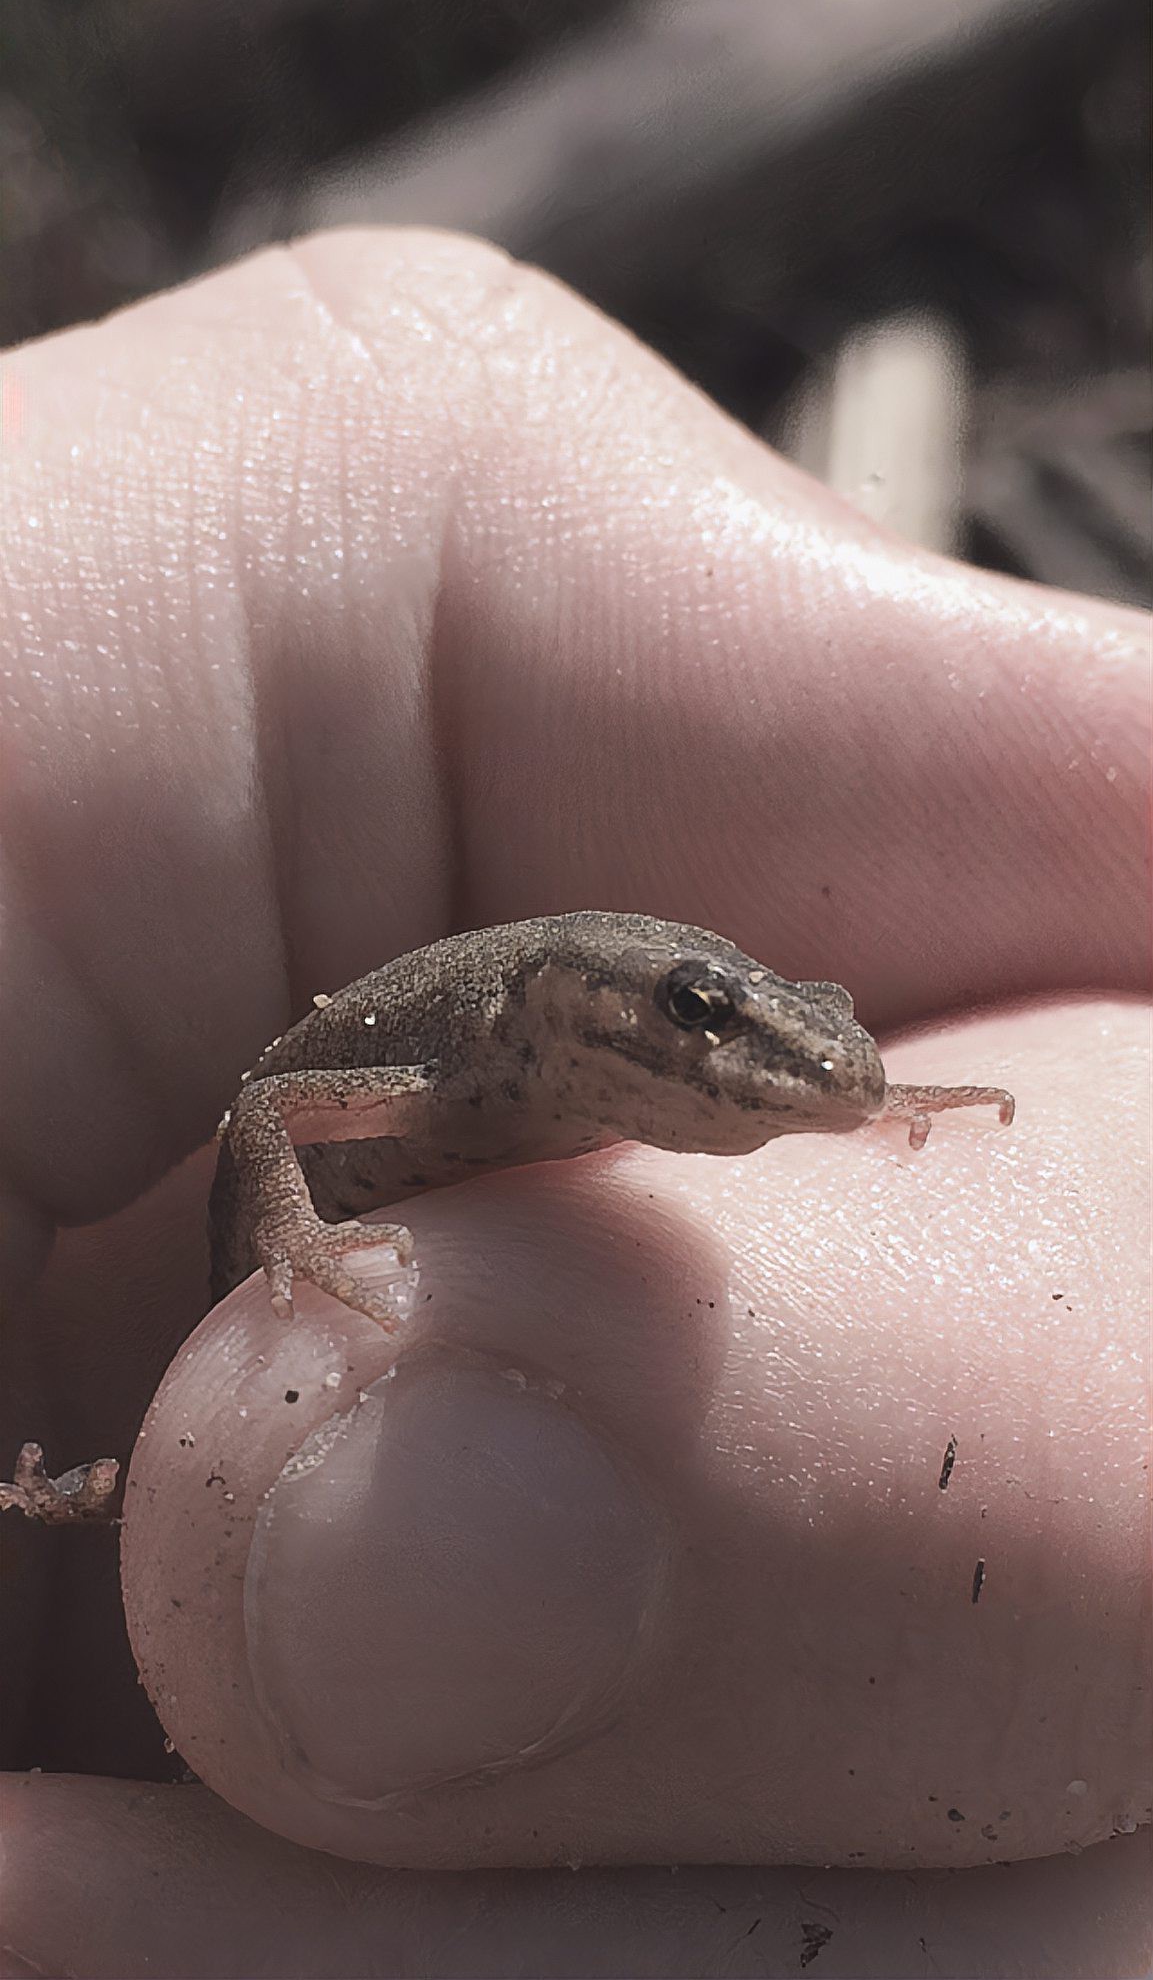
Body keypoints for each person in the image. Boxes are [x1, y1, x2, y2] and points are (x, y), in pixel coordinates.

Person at [2, 227, 1149, 1977]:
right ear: (559, 1004)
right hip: (219, 1316)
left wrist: (861, 1094)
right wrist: (291, 1254)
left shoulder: (663, 1064)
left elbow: (812, 1054)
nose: (754, 1054)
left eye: (794, 1030)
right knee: (165, 1487)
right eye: (696, 1015)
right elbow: (272, 1112)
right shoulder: (462, 1050)